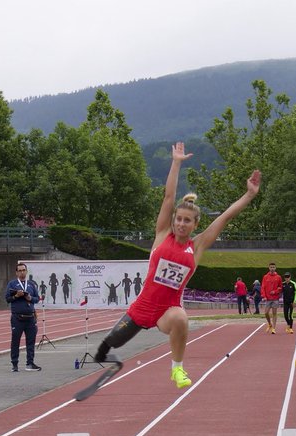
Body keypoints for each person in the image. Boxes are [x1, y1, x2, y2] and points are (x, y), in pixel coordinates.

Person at [80, 142, 260, 398]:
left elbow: (225, 218)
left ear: (195, 224)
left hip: (167, 310)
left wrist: (249, 195)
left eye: (187, 221)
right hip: (141, 309)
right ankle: (105, 351)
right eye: (179, 219)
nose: (181, 224)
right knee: (108, 344)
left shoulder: (196, 248)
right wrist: (176, 162)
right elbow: (168, 197)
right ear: (173, 220)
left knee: (181, 319)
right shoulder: (162, 233)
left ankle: (177, 368)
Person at [5, 262, 42, 372]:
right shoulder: (12, 284)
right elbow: (7, 299)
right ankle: (14, 364)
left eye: (23, 270)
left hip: (30, 318)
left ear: (26, 271)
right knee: (15, 341)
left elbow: (37, 298)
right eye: (19, 270)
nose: (22, 272)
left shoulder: (31, 284)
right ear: (16, 272)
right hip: (17, 318)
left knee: (31, 341)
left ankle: (30, 363)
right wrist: (16, 295)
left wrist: (30, 298)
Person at [260, 263, 282, 334]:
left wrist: (275, 291)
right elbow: (263, 287)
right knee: (266, 313)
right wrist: (263, 296)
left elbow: (280, 287)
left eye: (273, 267)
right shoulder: (265, 277)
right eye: (271, 267)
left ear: (275, 268)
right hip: (268, 299)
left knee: (274, 313)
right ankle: (269, 324)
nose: (272, 268)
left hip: (275, 298)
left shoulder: (278, 277)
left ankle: (274, 328)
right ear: (269, 268)